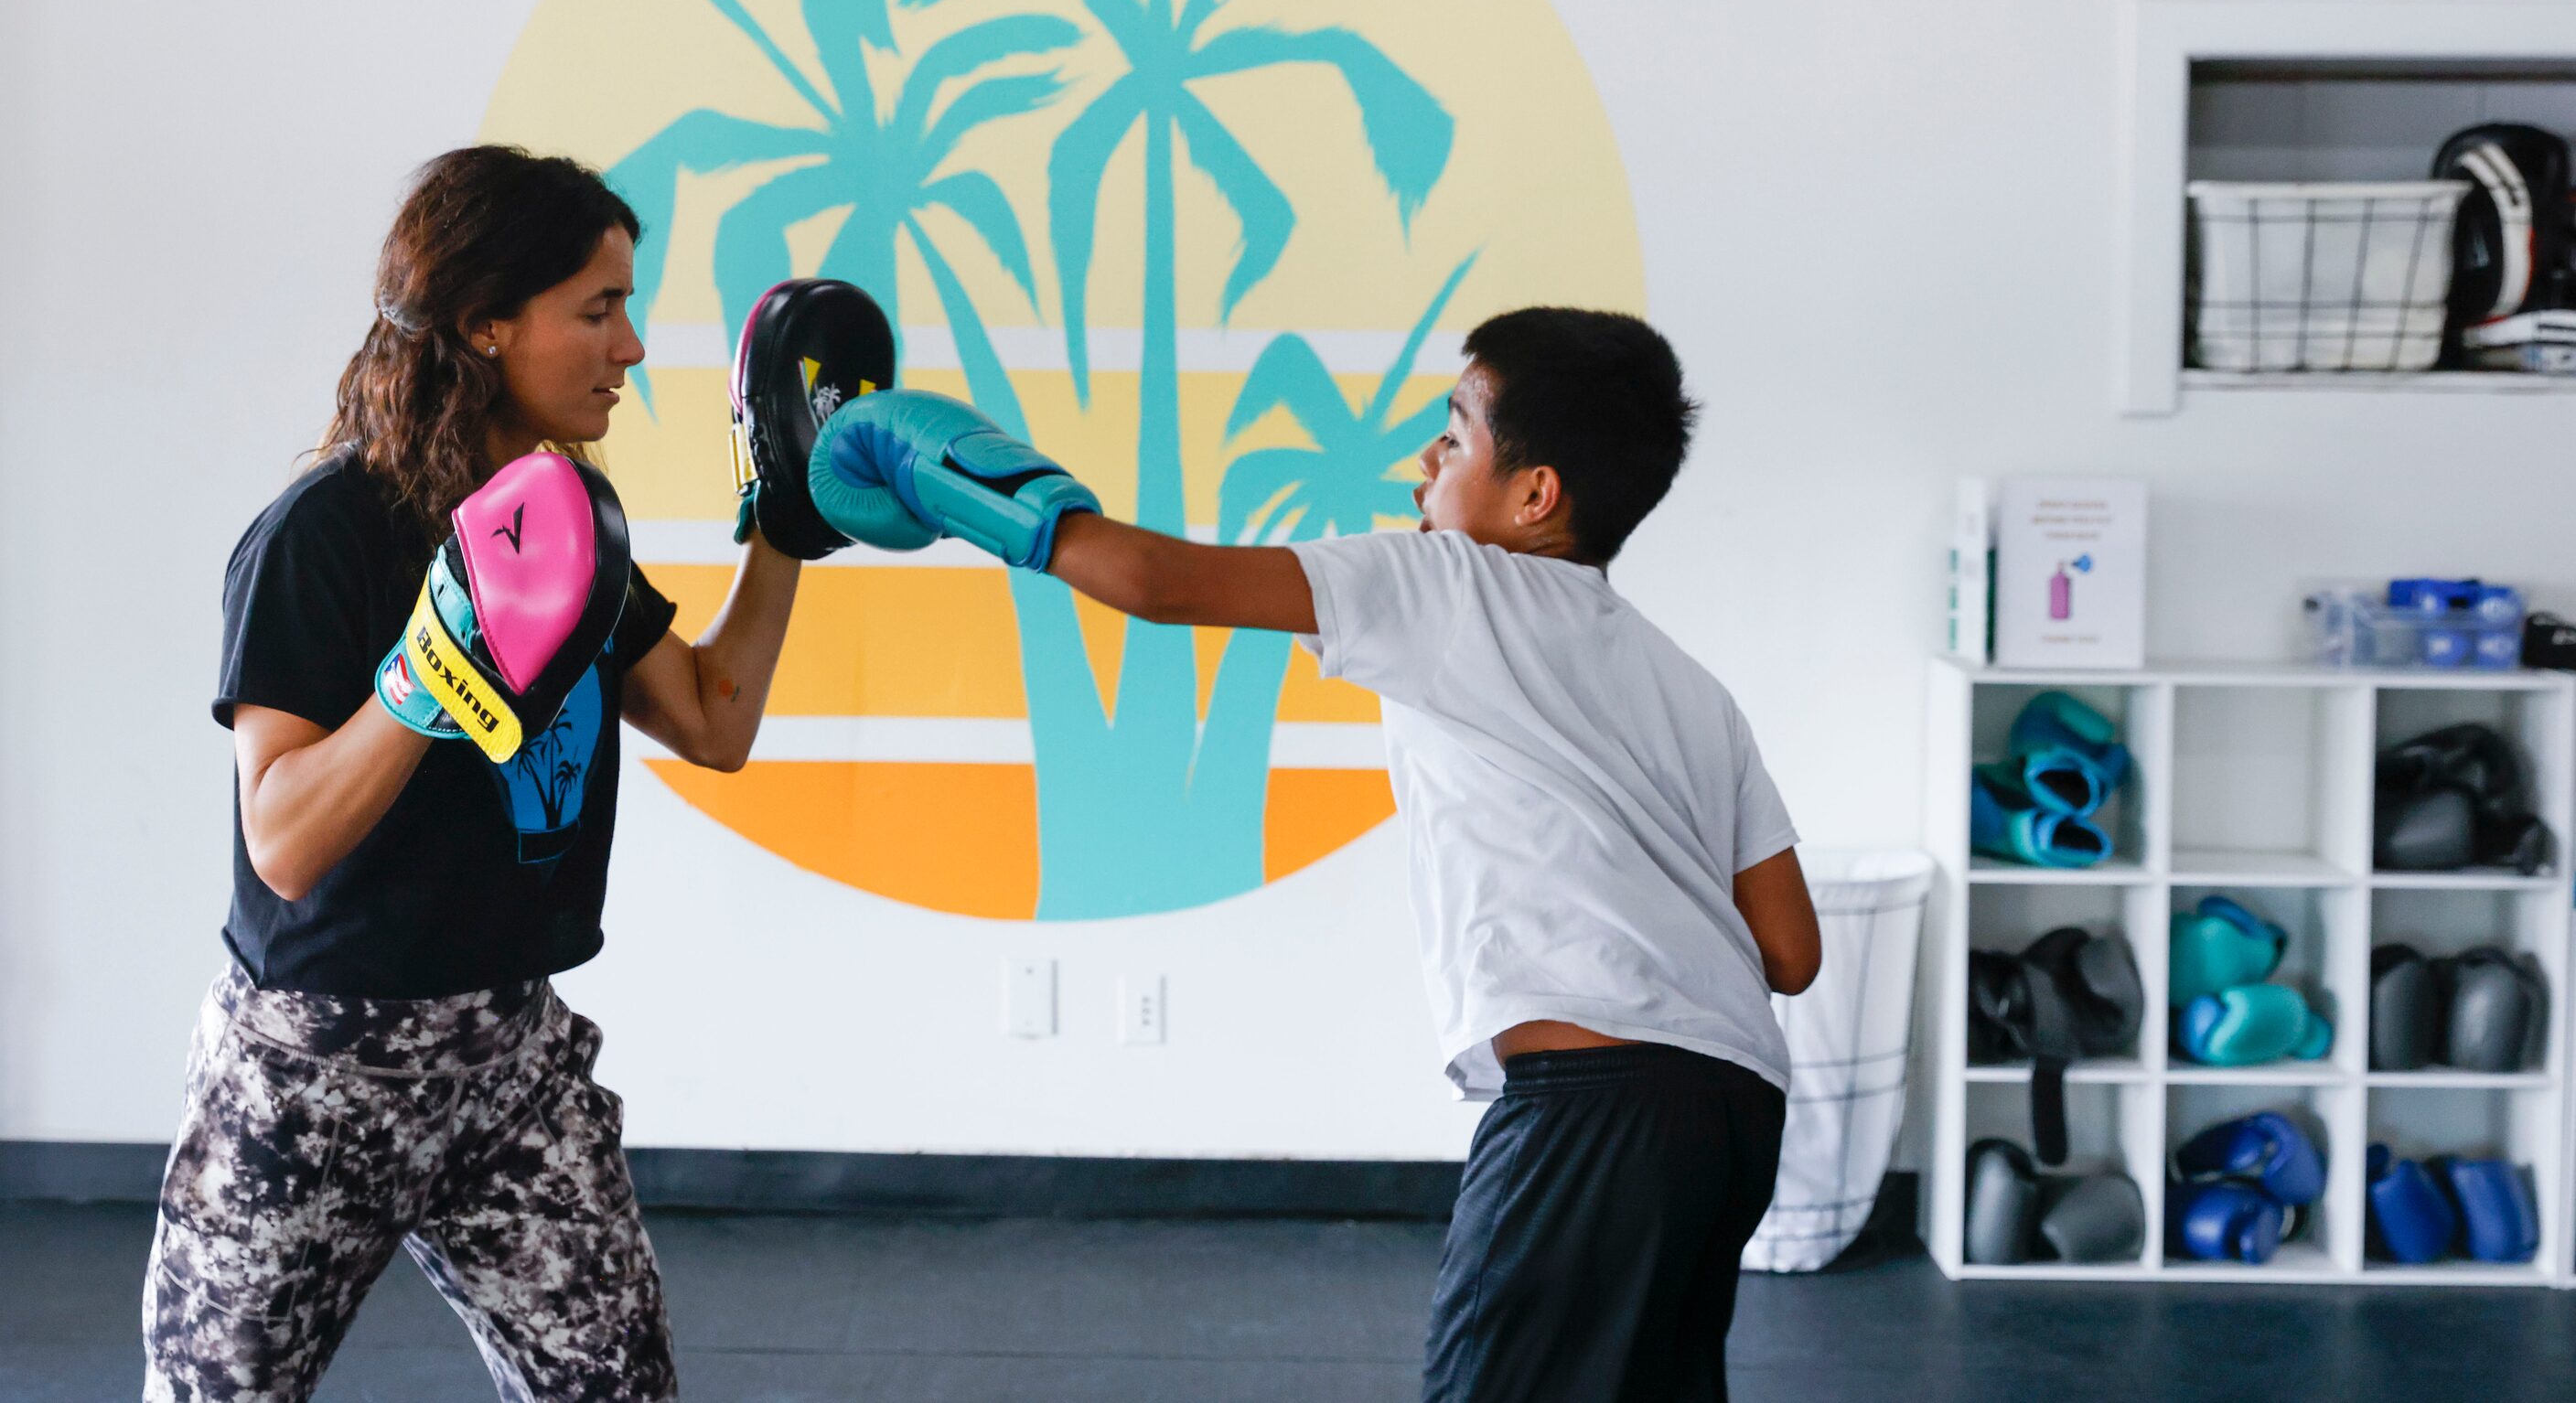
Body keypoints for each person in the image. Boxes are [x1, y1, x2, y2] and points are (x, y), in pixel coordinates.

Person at [810, 304, 1824, 1403]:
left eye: (1455, 433)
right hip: (1733, 1114)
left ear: (1534, 497)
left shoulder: (1442, 584)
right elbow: (1788, 951)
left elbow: (1159, 584)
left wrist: (950, 480)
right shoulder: (1691, 688)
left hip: (1593, 1108)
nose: (1422, 459)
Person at [145, 146, 806, 1402]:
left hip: (504, 1056)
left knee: (613, 1385)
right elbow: (281, 836)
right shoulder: (324, 535)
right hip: (313, 1077)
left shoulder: (562, 529)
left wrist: (782, 516)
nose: (632, 349)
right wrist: (428, 668)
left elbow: (716, 721)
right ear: (487, 324)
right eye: (598, 310)